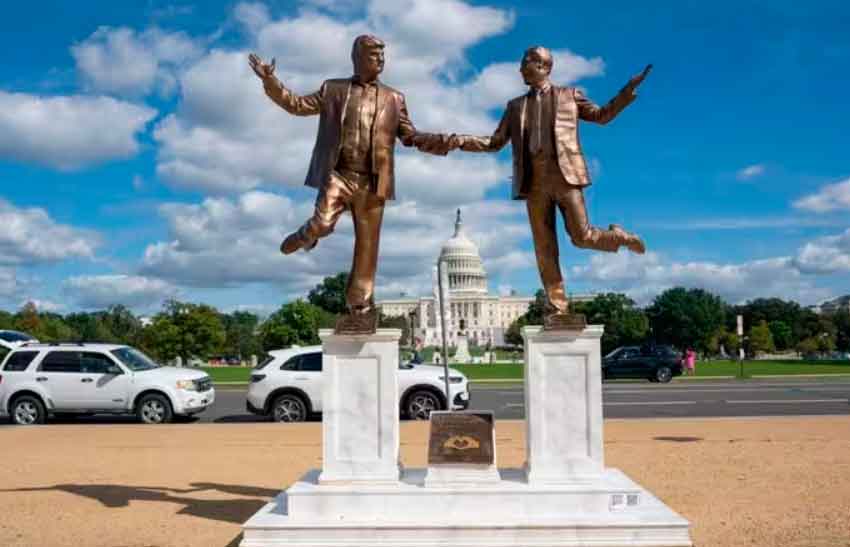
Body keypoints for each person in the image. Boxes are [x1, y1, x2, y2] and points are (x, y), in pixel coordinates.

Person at [426, 46, 650, 328]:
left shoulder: (569, 96)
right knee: (545, 249)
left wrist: (626, 93)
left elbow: (602, 116)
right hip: (534, 184)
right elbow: (494, 143)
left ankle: (619, 238)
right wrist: (457, 140)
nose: (520, 70)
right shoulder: (515, 106)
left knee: (581, 237)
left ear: (542, 67)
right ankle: (558, 306)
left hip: (565, 177)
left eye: (525, 65)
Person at [249, 35, 451, 332]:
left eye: (383, 55)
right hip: (339, 174)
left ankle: (360, 309)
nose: (380, 60)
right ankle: (308, 235)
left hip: (372, 182)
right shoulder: (334, 89)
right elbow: (297, 105)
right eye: (373, 55)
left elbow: (410, 136)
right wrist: (270, 81)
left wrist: (440, 141)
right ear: (356, 57)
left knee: (367, 248)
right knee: (323, 223)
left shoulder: (394, 98)